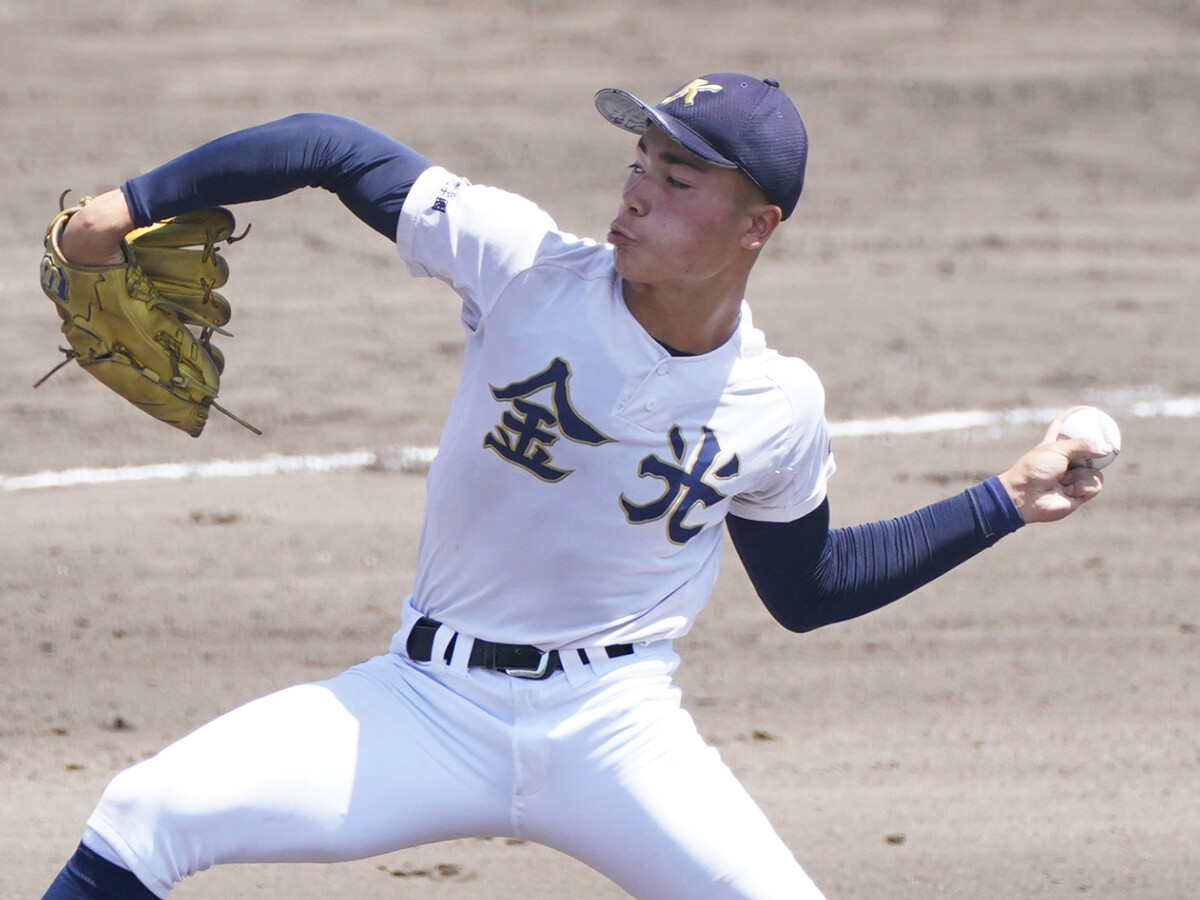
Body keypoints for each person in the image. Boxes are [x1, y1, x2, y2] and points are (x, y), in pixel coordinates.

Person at [41, 73, 1104, 900]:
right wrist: (125, 206)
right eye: (642, 159)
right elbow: (328, 145)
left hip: (613, 729)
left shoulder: (778, 405)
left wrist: (1003, 499)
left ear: (757, 226)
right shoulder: (523, 264)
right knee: (143, 815)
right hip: (425, 703)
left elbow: (810, 587)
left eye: (679, 180)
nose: (637, 189)